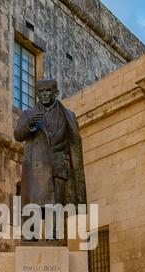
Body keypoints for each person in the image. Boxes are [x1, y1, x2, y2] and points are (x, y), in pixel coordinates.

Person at [14, 78, 87, 212]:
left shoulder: (69, 115)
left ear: (56, 92)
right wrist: (29, 124)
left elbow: (74, 142)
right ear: (37, 94)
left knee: (58, 207)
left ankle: (55, 233)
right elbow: (18, 135)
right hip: (38, 169)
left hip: (60, 166)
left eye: (48, 90)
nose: (44, 94)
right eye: (41, 91)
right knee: (37, 209)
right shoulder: (29, 114)